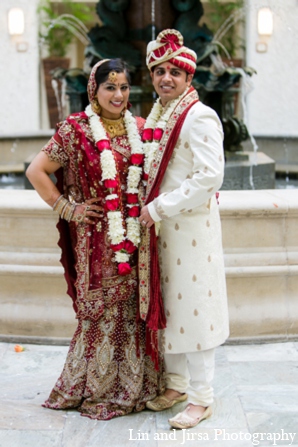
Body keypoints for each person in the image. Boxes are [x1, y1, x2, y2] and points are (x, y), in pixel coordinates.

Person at [26, 58, 163, 420]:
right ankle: (96, 388)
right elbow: (35, 170)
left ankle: (136, 387)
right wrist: (67, 208)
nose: (118, 95)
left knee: (133, 309)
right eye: (110, 87)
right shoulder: (76, 130)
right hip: (93, 239)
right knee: (99, 311)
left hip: (134, 236)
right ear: (94, 90)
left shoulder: (138, 126)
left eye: (123, 87)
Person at [138, 29, 230, 429]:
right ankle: (175, 385)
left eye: (175, 72)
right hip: (162, 230)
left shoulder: (199, 116)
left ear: (189, 78)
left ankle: (202, 398)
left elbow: (210, 177)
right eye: (159, 71)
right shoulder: (160, 115)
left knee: (196, 309)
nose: (166, 78)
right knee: (169, 307)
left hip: (190, 232)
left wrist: (158, 206)